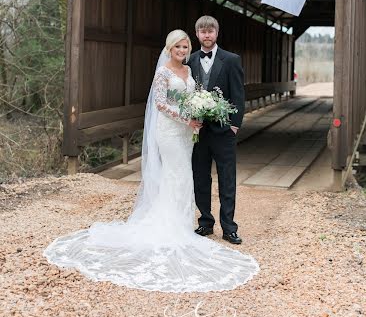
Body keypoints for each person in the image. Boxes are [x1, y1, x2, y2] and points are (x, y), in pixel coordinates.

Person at [43, 29, 259, 293]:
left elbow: (190, 98)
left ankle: (181, 224)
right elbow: (160, 104)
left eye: (184, 47)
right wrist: (186, 119)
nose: (181, 51)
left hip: (185, 132)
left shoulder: (189, 72)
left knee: (184, 177)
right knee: (175, 174)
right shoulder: (163, 73)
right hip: (169, 132)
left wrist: (197, 113)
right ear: (169, 49)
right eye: (177, 47)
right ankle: (168, 227)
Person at [188, 16, 245, 245]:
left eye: (210, 31)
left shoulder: (231, 60)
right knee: (201, 178)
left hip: (224, 132)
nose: (207, 35)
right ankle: (205, 223)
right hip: (199, 132)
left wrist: (234, 124)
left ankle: (229, 228)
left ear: (217, 33)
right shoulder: (190, 61)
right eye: (202, 31)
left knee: (227, 179)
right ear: (197, 34)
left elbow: (239, 95)